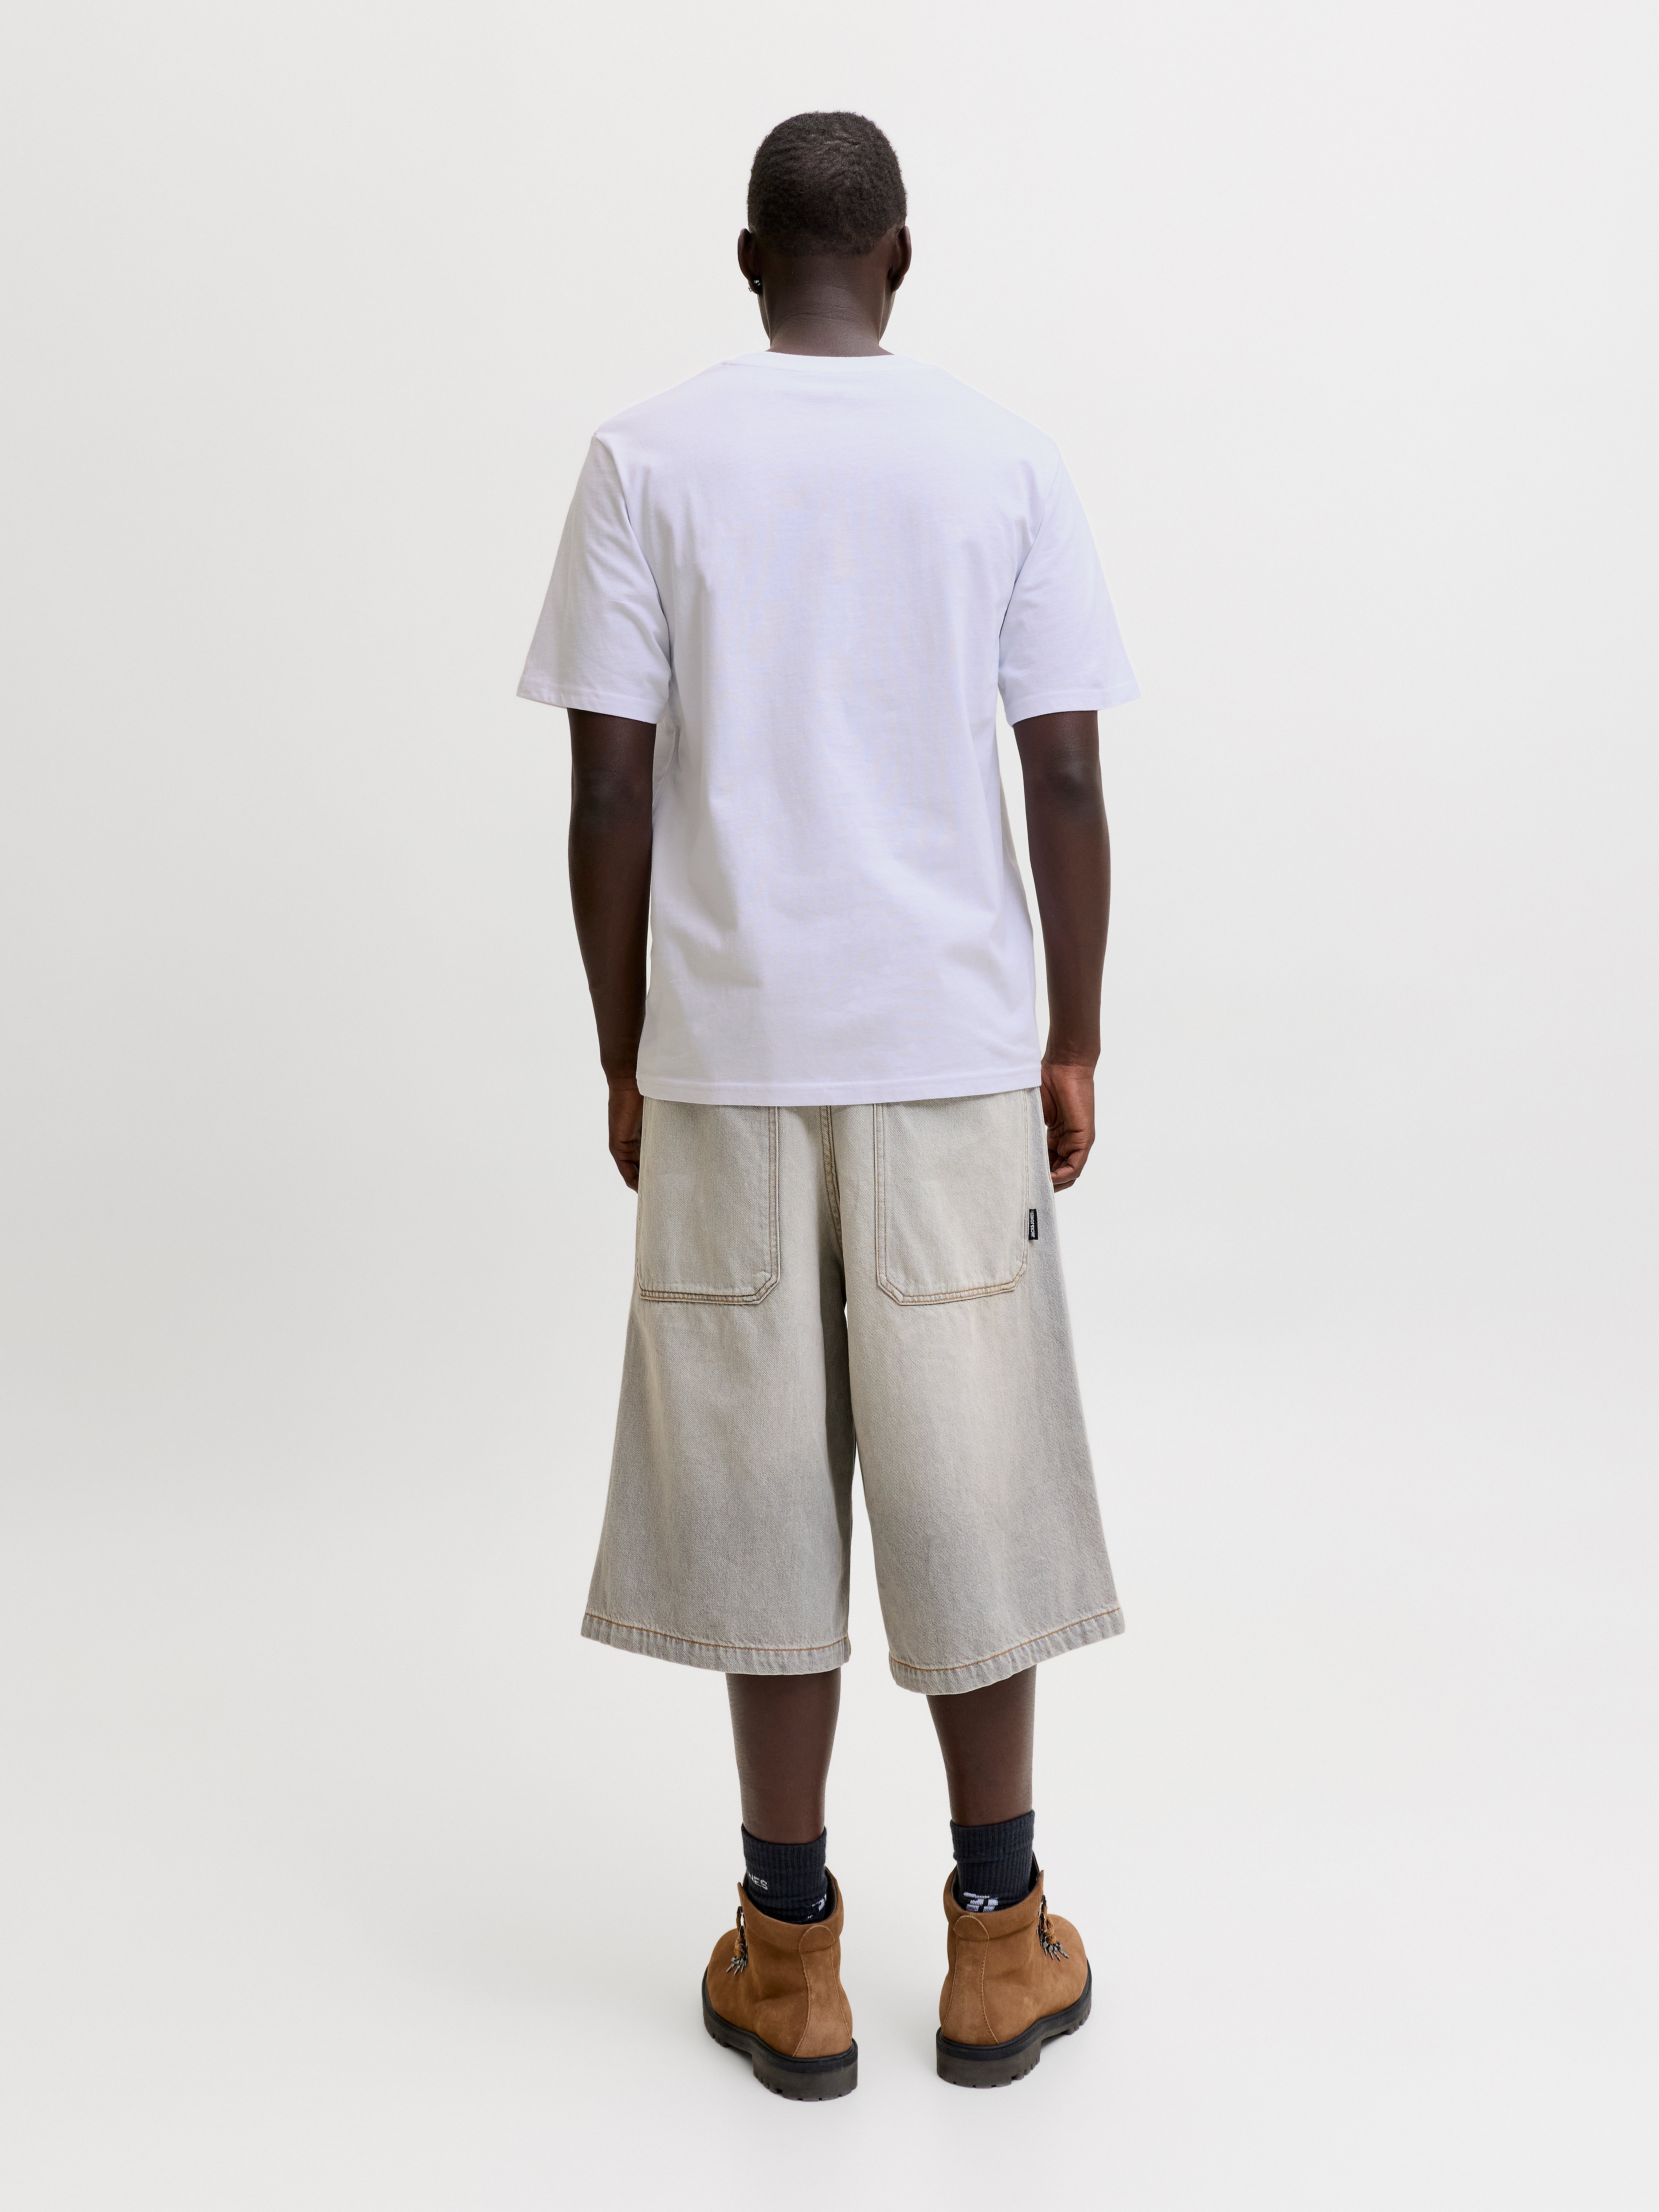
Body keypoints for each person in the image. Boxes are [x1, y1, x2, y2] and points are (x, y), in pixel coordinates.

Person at [518, 110, 1138, 2098]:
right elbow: (1064, 776)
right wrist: (1073, 1037)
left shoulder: (646, 459)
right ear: (899, 258)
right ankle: (997, 1941)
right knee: (974, 1480)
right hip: (950, 1055)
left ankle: (789, 1960)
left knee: (759, 1492)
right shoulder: (1000, 457)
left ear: (747, 259)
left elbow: (608, 793)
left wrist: (627, 1047)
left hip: (729, 1055)